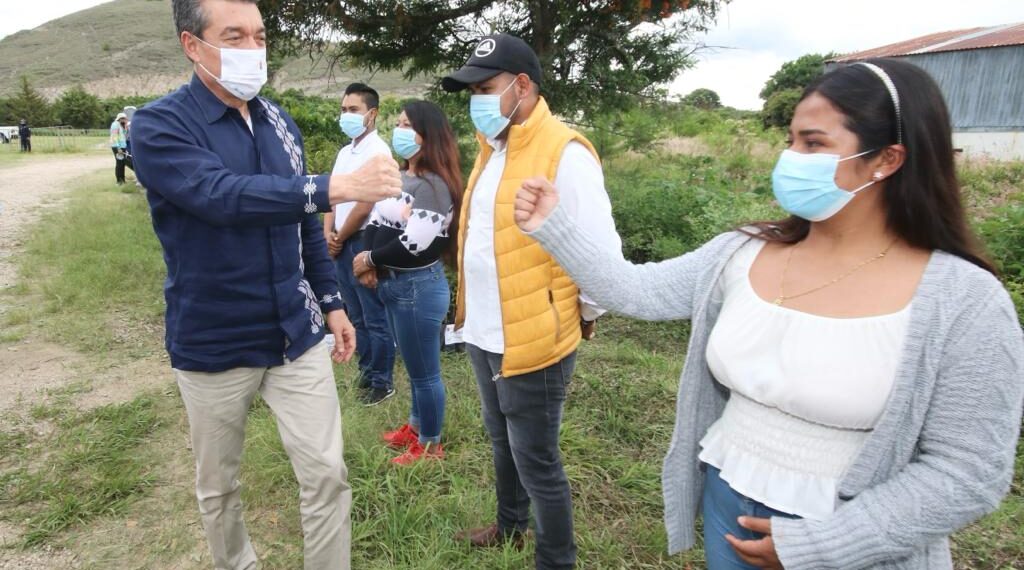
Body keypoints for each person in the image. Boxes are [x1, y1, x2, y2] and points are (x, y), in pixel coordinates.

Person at [516, 58, 1024, 570]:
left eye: (813, 143)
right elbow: (637, 291)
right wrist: (555, 226)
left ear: (886, 159)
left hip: (856, 542)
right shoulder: (742, 252)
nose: (790, 157)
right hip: (728, 504)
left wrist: (823, 545)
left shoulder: (964, 301)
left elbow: (968, 471)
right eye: (790, 140)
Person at [130, 1, 402, 568]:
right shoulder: (161, 125)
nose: (253, 50)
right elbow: (221, 195)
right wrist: (335, 186)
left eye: (258, 36)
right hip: (214, 339)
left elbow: (303, 225)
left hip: (294, 334)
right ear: (192, 45)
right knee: (219, 485)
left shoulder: (279, 120)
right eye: (234, 36)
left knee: (327, 473)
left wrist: (330, 302)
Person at [442, 34, 622, 569]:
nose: (476, 98)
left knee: (538, 460)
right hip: (485, 330)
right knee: (503, 444)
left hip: (535, 338)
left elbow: (599, 257)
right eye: (470, 89)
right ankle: (511, 527)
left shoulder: (564, 153)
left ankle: (555, 559)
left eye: (486, 87)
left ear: (522, 86)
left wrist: (574, 316)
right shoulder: (492, 148)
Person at [352, 100, 462, 465]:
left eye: (407, 125)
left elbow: (414, 245)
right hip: (397, 285)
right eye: (397, 123)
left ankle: (430, 445)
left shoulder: (432, 186)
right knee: (414, 367)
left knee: (425, 372)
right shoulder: (403, 178)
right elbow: (375, 221)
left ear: (427, 135)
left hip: (417, 287)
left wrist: (369, 259)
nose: (398, 130)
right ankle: (415, 427)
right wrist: (369, 262)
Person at [323, 82, 397, 406]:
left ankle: (382, 382)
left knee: (373, 316)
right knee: (355, 315)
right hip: (340, 242)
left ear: (372, 113)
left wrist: (340, 236)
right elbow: (332, 193)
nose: (346, 115)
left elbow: (366, 204)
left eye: (353, 110)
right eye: (343, 109)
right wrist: (329, 232)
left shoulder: (378, 151)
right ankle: (366, 375)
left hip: (362, 241)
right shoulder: (345, 152)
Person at [110, 112, 129, 184]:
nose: (125, 120)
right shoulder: (115, 125)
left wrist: (125, 126)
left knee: (122, 163)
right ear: (119, 119)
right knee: (119, 163)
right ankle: (119, 181)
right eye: (123, 118)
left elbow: (124, 135)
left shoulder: (122, 125)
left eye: (125, 118)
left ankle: (123, 180)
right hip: (117, 146)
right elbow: (115, 136)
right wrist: (118, 148)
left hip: (122, 146)